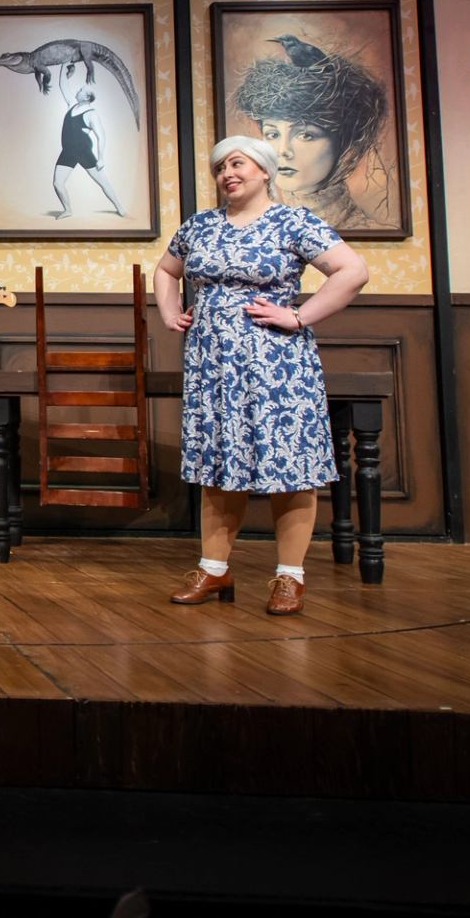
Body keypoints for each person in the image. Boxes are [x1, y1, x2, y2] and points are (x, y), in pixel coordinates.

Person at [155, 133, 369, 616]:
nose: (226, 174)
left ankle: (289, 577)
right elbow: (167, 271)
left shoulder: (293, 221)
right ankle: (214, 569)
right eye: (219, 168)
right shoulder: (200, 226)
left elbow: (352, 271)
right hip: (211, 363)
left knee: (289, 466)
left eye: (237, 164)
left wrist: (300, 315)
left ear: (265, 171)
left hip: (277, 364)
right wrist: (171, 313)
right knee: (217, 465)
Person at [232, 48, 392, 231]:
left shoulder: (363, 227)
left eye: (305, 135)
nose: (282, 150)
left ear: (345, 144)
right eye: (273, 134)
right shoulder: (254, 229)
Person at [51, 82, 126, 219]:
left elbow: (101, 136)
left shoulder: (92, 114)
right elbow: (62, 84)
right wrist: (65, 64)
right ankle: (68, 210)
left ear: (86, 97)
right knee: (57, 183)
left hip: (84, 151)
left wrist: (101, 157)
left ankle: (119, 207)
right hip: (68, 151)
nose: (78, 91)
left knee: (103, 182)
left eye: (81, 90)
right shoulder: (71, 105)